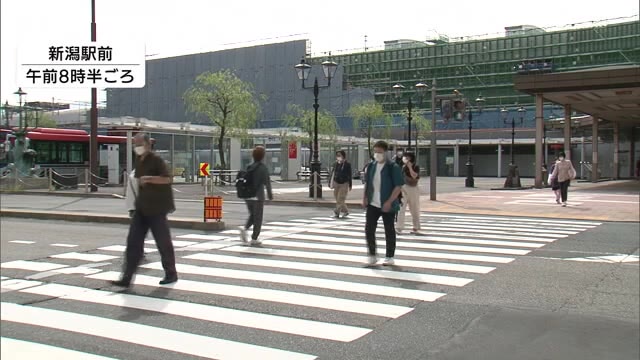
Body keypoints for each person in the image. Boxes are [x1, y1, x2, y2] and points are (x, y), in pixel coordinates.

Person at [112, 133, 177, 287]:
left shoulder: (156, 160)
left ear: (148, 144)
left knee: (163, 242)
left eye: (139, 143)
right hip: (141, 207)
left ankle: (171, 273)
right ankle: (126, 277)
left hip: (157, 208)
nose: (137, 147)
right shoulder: (139, 160)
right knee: (133, 242)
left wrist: (149, 178)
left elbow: (168, 179)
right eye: (135, 144)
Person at [362, 140, 404, 266]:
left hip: (388, 204)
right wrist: (364, 197)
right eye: (375, 152)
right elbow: (368, 183)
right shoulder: (371, 166)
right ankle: (372, 254)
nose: (377, 154)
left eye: (379, 152)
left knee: (389, 229)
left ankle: (390, 256)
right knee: (369, 229)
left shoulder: (393, 167)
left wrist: (389, 201)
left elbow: (398, 186)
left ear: (385, 152)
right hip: (373, 203)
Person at [240, 146, 273, 245]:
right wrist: (270, 195)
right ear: (263, 156)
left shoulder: (250, 166)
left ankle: (245, 228)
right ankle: (254, 238)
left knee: (253, 215)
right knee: (258, 218)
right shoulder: (263, 168)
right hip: (258, 196)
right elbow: (267, 183)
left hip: (248, 196)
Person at [396, 152, 421, 234]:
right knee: (401, 209)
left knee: (414, 208)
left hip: (413, 189)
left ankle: (416, 227)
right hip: (404, 188)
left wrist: (410, 167)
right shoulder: (402, 166)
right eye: (404, 157)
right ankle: (399, 227)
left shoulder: (416, 166)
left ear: (410, 158)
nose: (405, 158)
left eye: (406, 157)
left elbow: (414, 176)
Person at [329, 150, 352, 218]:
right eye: (337, 155)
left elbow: (349, 174)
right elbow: (333, 173)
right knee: (337, 197)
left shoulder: (347, 164)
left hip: (344, 183)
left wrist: (350, 184)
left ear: (343, 156)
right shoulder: (336, 164)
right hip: (336, 182)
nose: (338, 157)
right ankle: (345, 211)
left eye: (340, 155)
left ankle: (337, 212)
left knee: (341, 198)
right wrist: (330, 182)